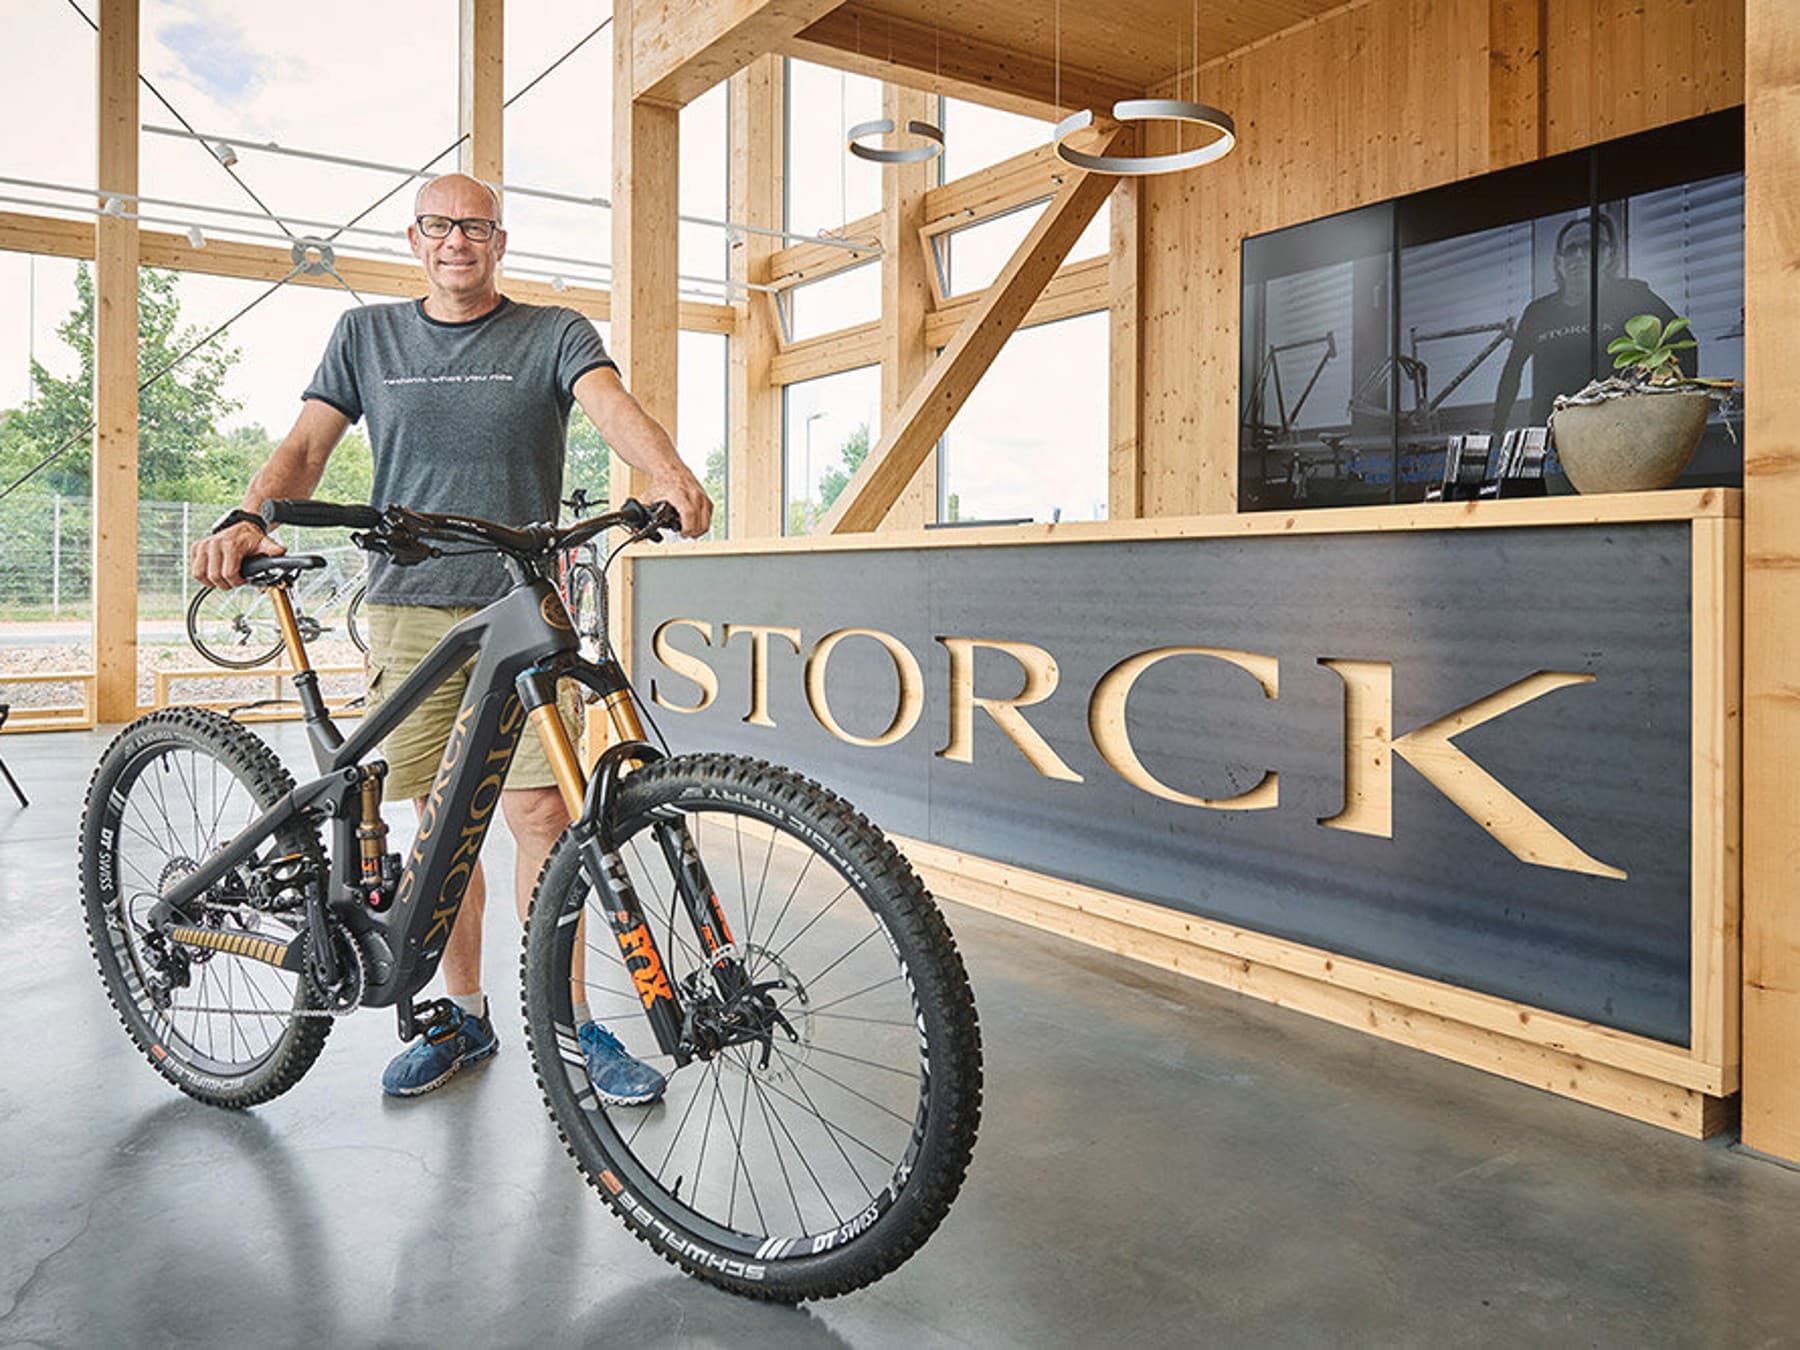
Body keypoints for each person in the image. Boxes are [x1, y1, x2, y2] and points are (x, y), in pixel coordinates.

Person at [191, 172, 713, 1101]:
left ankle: (572, 1022)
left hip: (521, 605)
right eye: (439, 226)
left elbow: (609, 406)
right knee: (442, 831)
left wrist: (669, 472)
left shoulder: (553, 331)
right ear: (416, 238)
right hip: (410, 605)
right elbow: (307, 447)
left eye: (475, 226)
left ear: (500, 241)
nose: (456, 241)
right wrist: (247, 512)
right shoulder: (366, 334)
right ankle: (462, 1019)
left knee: (545, 818)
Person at [1490, 211, 1696, 434]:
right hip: (1549, 439)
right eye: (1570, 249)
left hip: (1612, 434)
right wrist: (1496, 430)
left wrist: (1675, 418)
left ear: (1608, 254)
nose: (1578, 255)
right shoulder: (1537, 311)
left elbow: (1685, 344)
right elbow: (1512, 372)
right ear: (1559, 262)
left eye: (1590, 246)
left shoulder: (1632, 295)